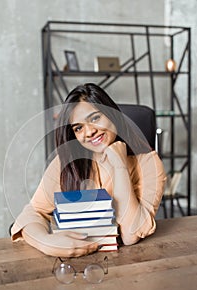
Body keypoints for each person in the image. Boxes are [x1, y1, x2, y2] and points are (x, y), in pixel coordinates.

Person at [10, 83, 166, 257]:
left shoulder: (149, 164)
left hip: (130, 264)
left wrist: (120, 166)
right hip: (77, 266)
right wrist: (45, 242)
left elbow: (131, 234)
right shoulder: (66, 162)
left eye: (95, 118)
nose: (89, 132)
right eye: (78, 128)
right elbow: (35, 211)